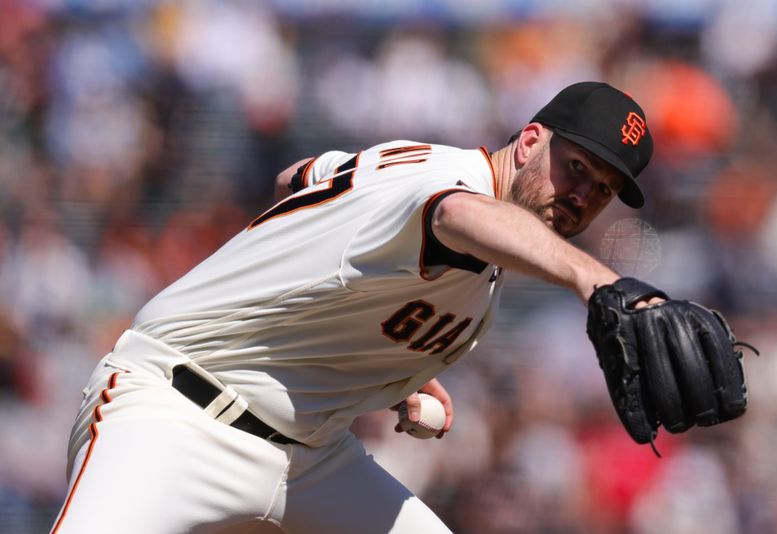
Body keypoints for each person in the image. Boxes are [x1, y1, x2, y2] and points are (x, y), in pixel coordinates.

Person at [51, 81, 658, 533]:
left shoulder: (421, 182)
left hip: (310, 458)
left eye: (602, 189)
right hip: (176, 415)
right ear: (529, 141)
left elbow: (298, 177)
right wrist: (597, 282)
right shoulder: (457, 185)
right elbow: (455, 215)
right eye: (575, 166)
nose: (582, 195)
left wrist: (390, 373)